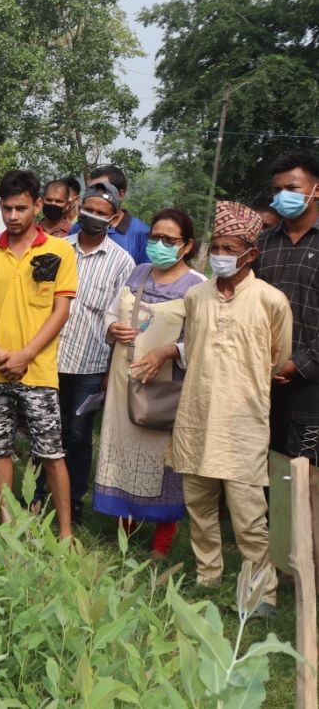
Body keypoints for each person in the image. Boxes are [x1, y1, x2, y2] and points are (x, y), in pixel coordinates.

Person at [166, 202, 289, 615]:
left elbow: (278, 357)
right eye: (215, 246)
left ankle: (261, 593)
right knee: (199, 508)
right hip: (196, 416)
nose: (220, 253)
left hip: (243, 422)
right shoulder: (196, 296)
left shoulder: (271, 300)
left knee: (250, 517)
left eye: (229, 247)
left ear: (250, 253)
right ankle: (208, 577)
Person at [93, 208, 203, 557]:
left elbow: (204, 340)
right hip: (124, 380)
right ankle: (122, 533)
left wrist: (170, 351)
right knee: (122, 452)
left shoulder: (198, 286)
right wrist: (112, 328)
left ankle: (161, 545)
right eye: (154, 237)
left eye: (168, 240)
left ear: (186, 246)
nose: (158, 244)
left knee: (162, 462)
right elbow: (112, 311)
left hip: (165, 387)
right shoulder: (137, 272)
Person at [0, 169, 78, 539]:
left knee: (51, 451)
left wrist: (25, 355)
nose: (13, 216)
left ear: (37, 205)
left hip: (38, 371)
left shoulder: (60, 251)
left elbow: (60, 312)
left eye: (21, 208)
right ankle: (7, 523)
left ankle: (65, 534)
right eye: (7, 208)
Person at [30, 181, 134, 520]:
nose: (93, 217)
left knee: (77, 435)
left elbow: (121, 317)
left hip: (91, 364)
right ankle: (34, 494)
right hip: (49, 357)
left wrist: (110, 371)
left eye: (102, 213)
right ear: (78, 209)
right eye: (89, 209)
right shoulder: (57, 248)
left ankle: (72, 500)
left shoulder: (122, 263)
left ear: (114, 218)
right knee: (43, 428)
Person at [257, 150, 319, 467]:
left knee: (303, 467)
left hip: (310, 382)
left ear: (315, 189)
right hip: (259, 375)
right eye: (277, 190)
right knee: (261, 459)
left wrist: (298, 363)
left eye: (292, 189)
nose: (283, 196)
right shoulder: (262, 243)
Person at [74, 166, 150, 265]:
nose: (95, 193)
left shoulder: (142, 233)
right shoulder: (79, 227)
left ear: (120, 195)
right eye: (91, 189)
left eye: (102, 189)